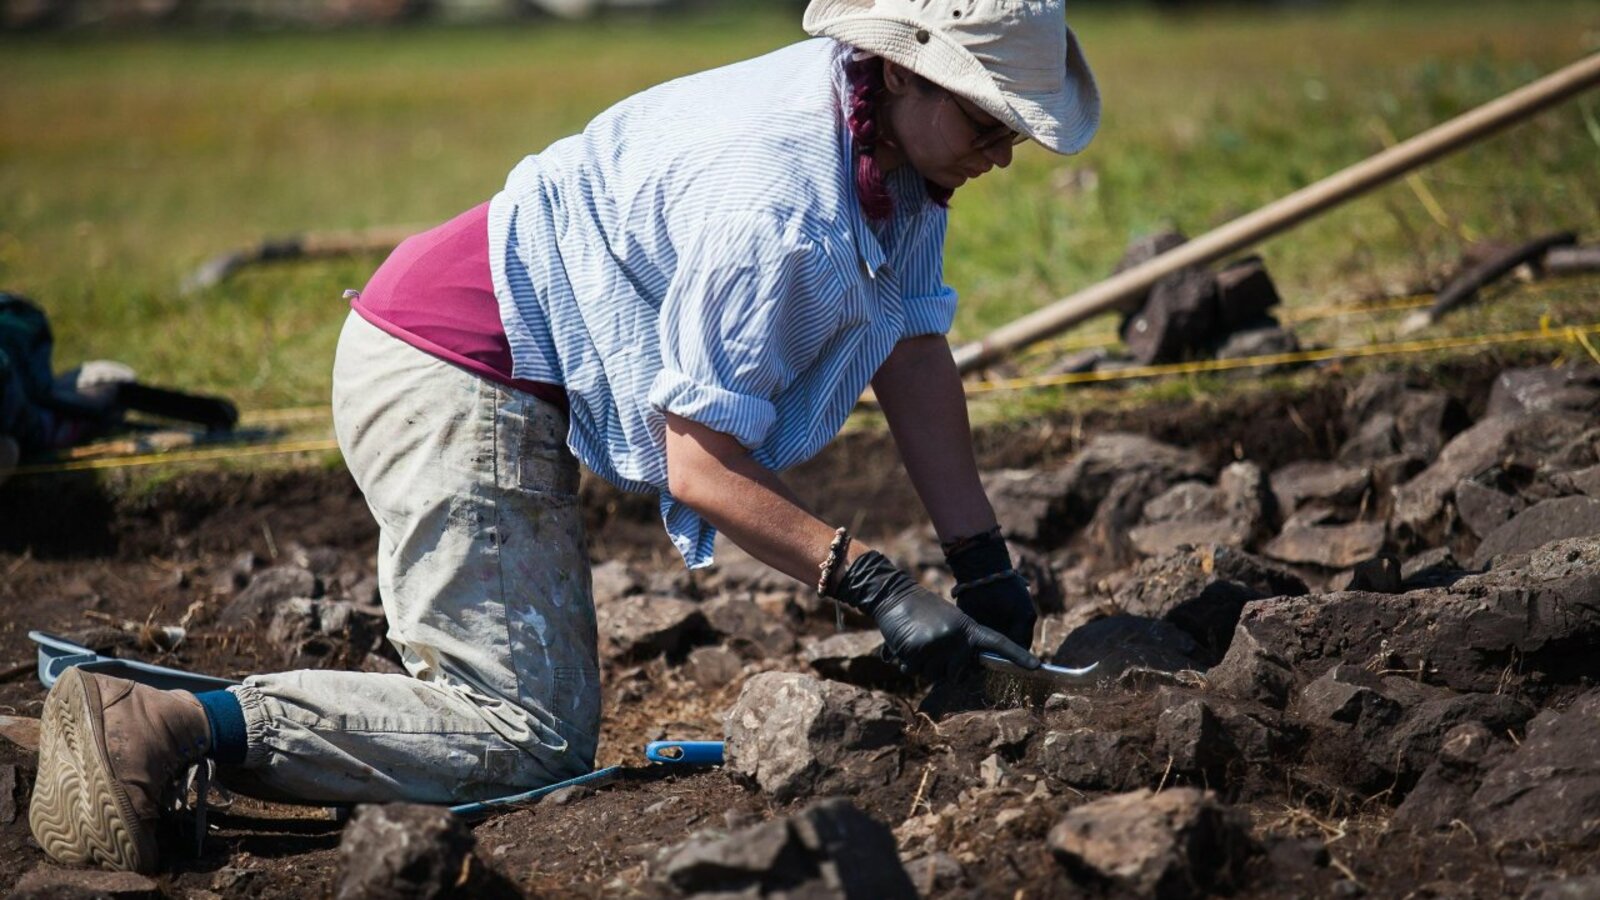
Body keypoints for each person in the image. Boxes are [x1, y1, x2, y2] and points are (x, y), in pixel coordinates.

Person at [29, 0, 1099, 874]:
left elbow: (911, 346)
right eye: (988, 122)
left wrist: (979, 564)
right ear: (902, 70)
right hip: (451, 369)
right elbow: (701, 464)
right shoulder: (778, 204)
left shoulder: (892, 153)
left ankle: (80, 737)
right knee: (521, 737)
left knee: (506, 710)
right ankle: (160, 725)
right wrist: (872, 584)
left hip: (491, 361)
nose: (1002, 153)